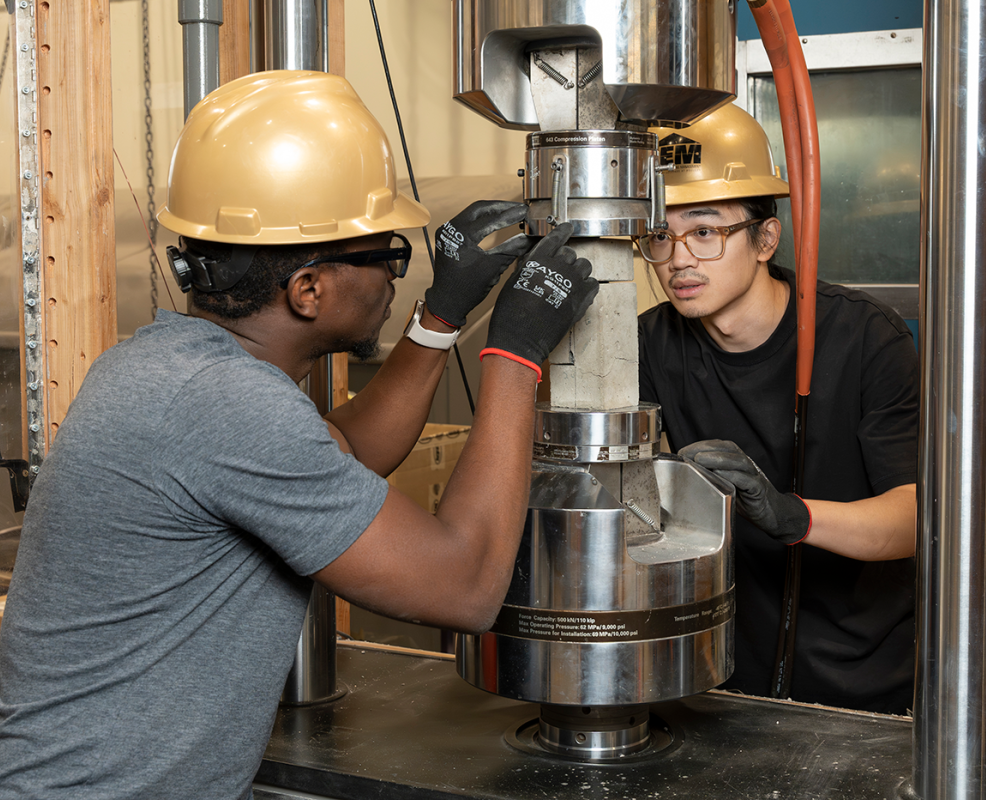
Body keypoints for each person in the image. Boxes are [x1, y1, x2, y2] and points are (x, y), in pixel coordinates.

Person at [0, 70, 596, 799]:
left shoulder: (163, 368)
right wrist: (514, 356)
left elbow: (347, 453)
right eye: (385, 256)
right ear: (308, 289)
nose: (394, 278)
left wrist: (441, 314)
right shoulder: (228, 406)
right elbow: (466, 588)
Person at [639, 103, 918, 714]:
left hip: (863, 686)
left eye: (705, 232)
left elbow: (917, 517)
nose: (679, 259)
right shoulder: (650, 345)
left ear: (766, 238)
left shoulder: (864, 338)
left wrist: (795, 516)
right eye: (660, 235)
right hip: (719, 678)